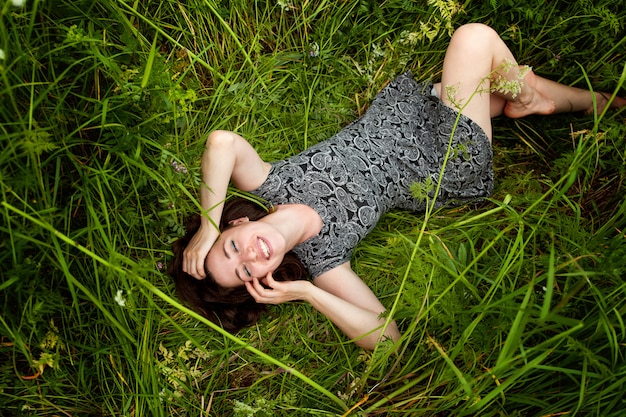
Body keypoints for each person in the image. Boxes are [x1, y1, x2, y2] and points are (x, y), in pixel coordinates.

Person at [169, 23, 625, 350]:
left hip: (412, 114)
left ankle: (595, 103)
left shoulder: (269, 182)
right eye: (248, 273)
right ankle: (532, 98)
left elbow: (222, 142)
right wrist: (307, 292)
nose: (252, 257)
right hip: (447, 159)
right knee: (474, 40)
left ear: (239, 222)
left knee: (496, 88)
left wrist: (207, 227)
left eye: (232, 248)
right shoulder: (324, 260)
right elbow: (386, 338)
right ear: (263, 283)